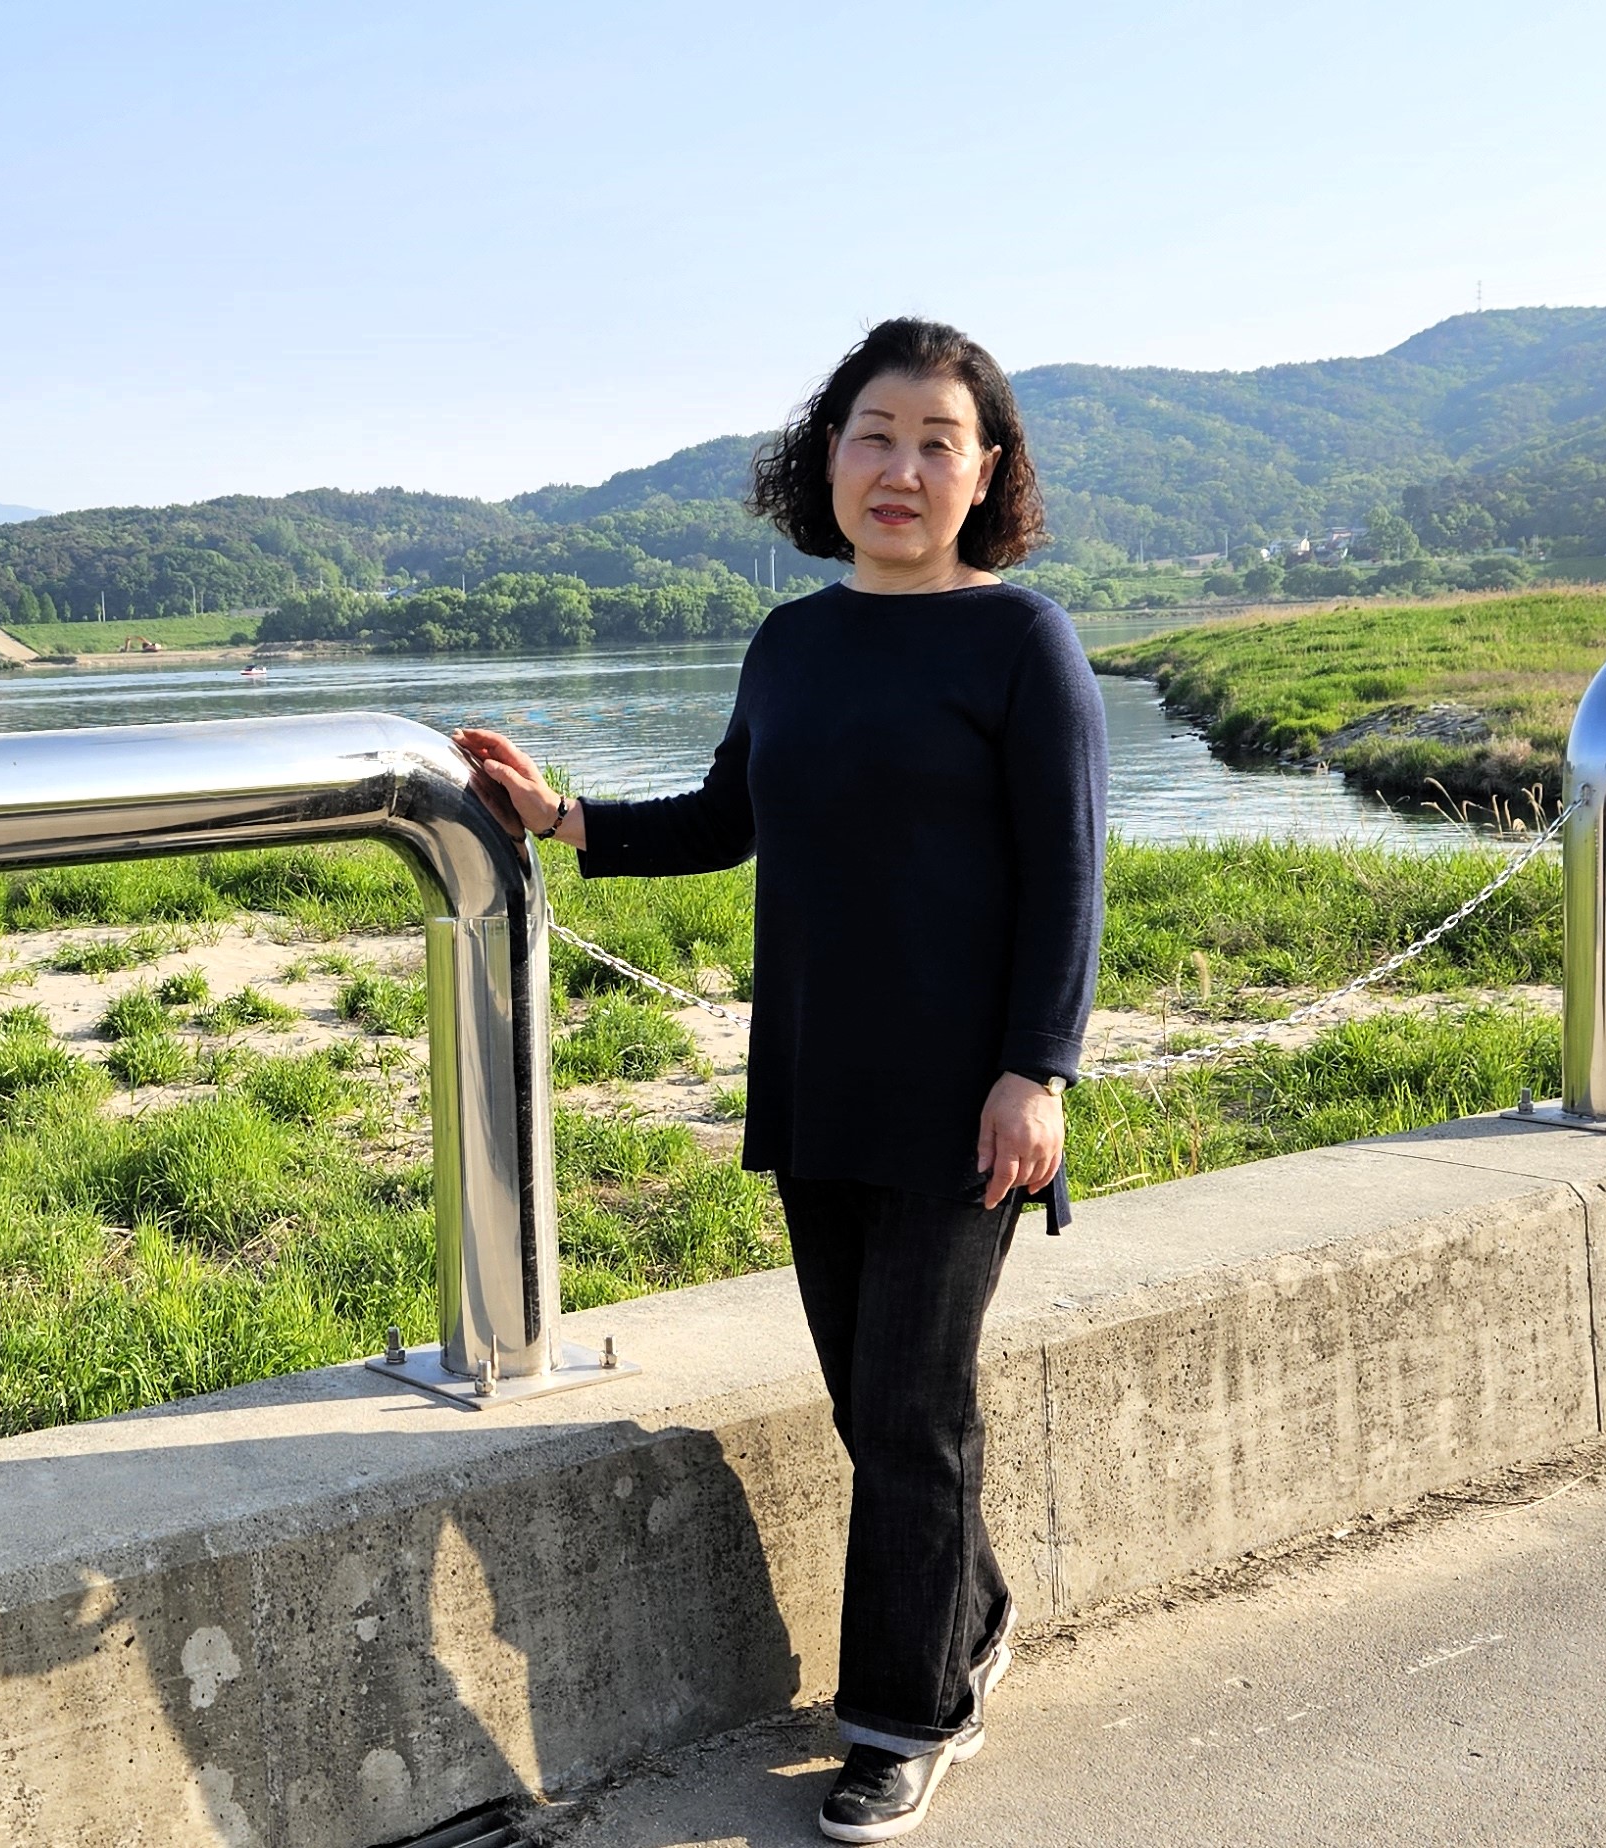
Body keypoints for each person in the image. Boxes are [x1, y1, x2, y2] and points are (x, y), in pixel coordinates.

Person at [453, 316, 1101, 1844]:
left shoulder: (1023, 643)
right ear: (829, 459)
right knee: (876, 1409)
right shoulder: (791, 644)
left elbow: (1070, 874)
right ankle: (971, 1617)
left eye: (938, 442)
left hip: (968, 1106)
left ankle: (902, 1719)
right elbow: (724, 818)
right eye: (875, 435)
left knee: (914, 1406)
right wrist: (564, 818)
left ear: (986, 473)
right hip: (820, 1083)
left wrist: (1038, 1071)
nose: (902, 469)